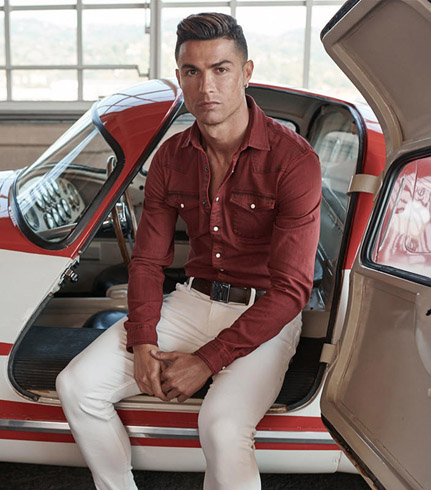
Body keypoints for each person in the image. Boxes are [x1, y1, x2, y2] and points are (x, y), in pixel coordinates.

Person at [56, 12, 321, 490]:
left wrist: (207, 360)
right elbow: (147, 262)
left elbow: (291, 292)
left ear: (247, 73)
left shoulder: (294, 160)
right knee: (76, 387)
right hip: (194, 301)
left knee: (221, 427)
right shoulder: (172, 156)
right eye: (192, 72)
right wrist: (141, 340)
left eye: (221, 69)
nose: (206, 87)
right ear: (179, 77)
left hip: (266, 314)